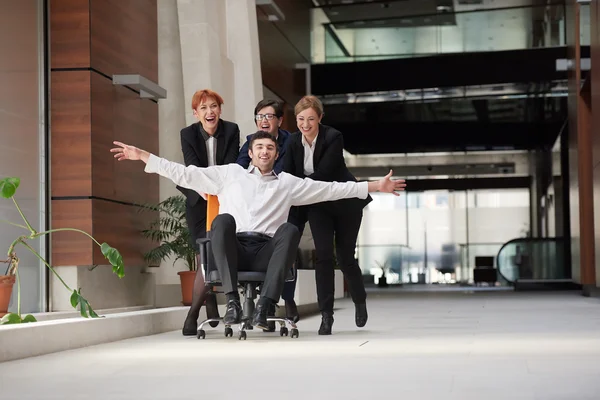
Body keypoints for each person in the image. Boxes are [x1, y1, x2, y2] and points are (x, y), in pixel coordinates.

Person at [110, 132, 406, 330]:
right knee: (222, 221)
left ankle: (265, 306)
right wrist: (144, 156)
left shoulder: (288, 183)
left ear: (276, 155)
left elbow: (331, 190)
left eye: (270, 148)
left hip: (267, 252)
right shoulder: (229, 174)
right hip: (234, 250)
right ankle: (233, 304)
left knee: (289, 229)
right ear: (250, 153)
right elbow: (185, 173)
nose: (265, 151)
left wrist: (376, 186)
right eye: (259, 148)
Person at [284, 95, 371, 335]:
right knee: (322, 255)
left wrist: (299, 186)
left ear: (320, 118)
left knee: (345, 257)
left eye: (311, 119)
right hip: (318, 204)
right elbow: (288, 175)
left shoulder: (333, 137)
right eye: (301, 119)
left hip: (345, 203)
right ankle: (326, 315)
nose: (305, 124)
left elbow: (324, 174)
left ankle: (359, 300)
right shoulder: (292, 142)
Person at [177, 89, 240, 336]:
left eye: (213, 106)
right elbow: (192, 168)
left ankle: (192, 314)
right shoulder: (188, 134)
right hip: (198, 200)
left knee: (212, 254)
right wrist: (205, 189)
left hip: (224, 200)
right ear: (196, 113)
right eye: (203, 108)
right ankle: (208, 302)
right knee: (204, 253)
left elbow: (232, 165)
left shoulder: (232, 130)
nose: (209, 112)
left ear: (220, 110)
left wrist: (218, 190)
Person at [236, 99, 300, 325]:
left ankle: (287, 298)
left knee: (288, 244)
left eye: (268, 116)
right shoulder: (250, 143)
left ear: (279, 121)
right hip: (259, 205)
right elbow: (241, 170)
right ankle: (264, 302)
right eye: (259, 117)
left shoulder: (292, 142)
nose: (263, 121)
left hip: (285, 202)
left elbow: (294, 173)